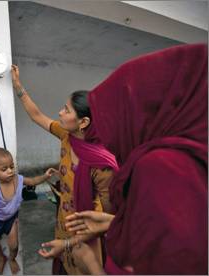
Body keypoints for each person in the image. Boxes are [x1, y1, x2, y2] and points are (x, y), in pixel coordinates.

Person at [65, 43, 208, 274]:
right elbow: (172, 240)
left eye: (112, 118)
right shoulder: (187, 159)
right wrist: (115, 223)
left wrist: (91, 265)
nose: (107, 136)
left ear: (137, 113)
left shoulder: (159, 167)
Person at [11, 65, 118, 274]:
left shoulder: (103, 165)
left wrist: (70, 243)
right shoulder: (66, 135)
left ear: (83, 122)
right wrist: (18, 86)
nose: (60, 112)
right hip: (63, 223)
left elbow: (107, 220)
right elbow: (37, 116)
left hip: (86, 234)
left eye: (67, 110)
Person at [0, 147, 58, 275]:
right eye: (4, 169)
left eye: (12, 167)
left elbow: (33, 181)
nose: (10, 171)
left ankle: (12, 259)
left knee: (14, 246)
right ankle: (1, 258)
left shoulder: (18, 179)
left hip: (11, 219)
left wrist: (45, 176)